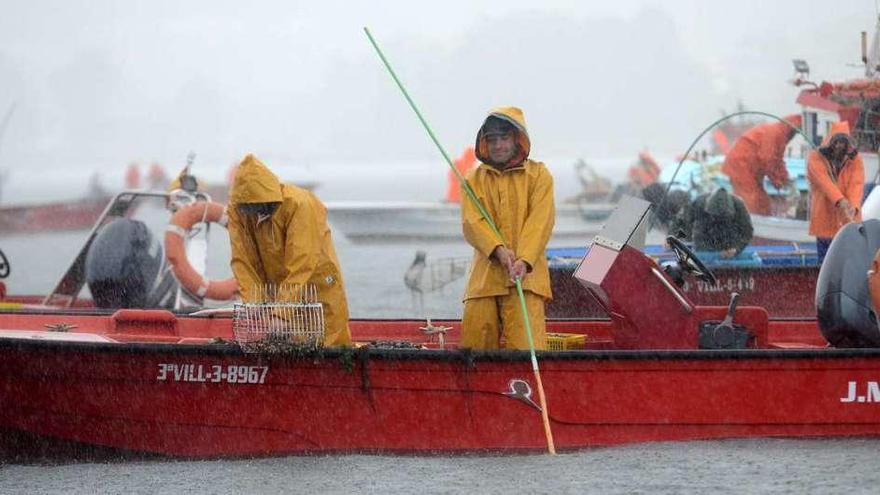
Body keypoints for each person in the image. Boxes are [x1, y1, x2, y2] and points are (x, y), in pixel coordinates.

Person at [227, 154, 351, 346]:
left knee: (330, 345)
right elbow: (242, 260)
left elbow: (303, 261)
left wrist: (282, 312)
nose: (253, 211)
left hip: (318, 289)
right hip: (281, 295)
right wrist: (255, 303)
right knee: (286, 345)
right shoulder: (238, 211)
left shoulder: (300, 204)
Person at [460, 106, 554, 350]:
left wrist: (525, 260)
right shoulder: (472, 179)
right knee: (475, 351)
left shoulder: (539, 176)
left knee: (527, 350)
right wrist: (498, 250)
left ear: (517, 139)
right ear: (484, 142)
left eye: (504, 138)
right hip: (484, 281)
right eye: (492, 140)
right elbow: (472, 222)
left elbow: (540, 222)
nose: (498, 145)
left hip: (527, 279)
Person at [807, 121, 865, 264]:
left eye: (843, 142)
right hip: (824, 225)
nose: (839, 146)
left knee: (848, 266)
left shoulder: (856, 161)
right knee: (825, 266)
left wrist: (853, 207)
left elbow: (856, 186)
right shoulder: (815, 158)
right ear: (830, 142)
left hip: (848, 226)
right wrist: (840, 201)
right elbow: (824, 182)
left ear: (848, 144)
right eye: (836, 142)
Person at [721, 114, 802, 215]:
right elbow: (767, 158)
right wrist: (778, 180)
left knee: (762, 203)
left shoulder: (779, 135)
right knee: (751, 202)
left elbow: (777, 160)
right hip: (741, 167)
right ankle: (749, 227)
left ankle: (759, 224)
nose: (795, 135)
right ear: (791, 128)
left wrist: (784, 178)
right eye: (796, 131)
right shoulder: (775, 134)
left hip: (750, 170)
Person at [670, 188, 753, 258]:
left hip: (729, 242)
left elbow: (747, 232)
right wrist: (671, 236)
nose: (717, 219)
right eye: (715, 216)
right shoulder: (699, 202)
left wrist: (737, 249)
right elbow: (680, 220)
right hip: (704, 241)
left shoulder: (739, 205)